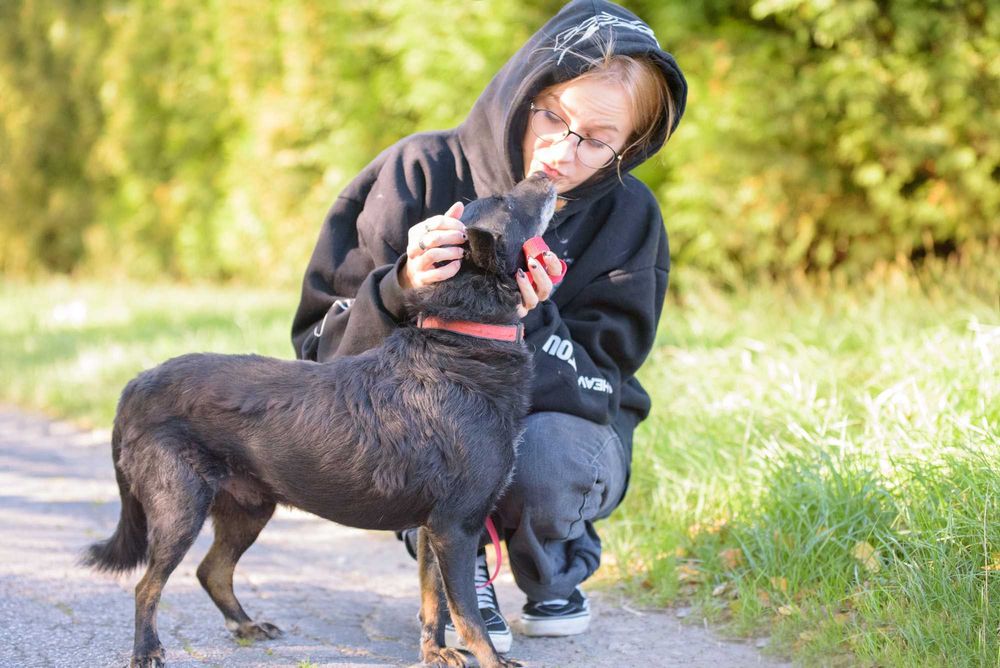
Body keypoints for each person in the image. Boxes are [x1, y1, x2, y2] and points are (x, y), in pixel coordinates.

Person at [290, 0, 687, 653]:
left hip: (557, 426)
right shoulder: (415, 172)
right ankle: (454, 563)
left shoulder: (629, 217)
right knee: (438, 436)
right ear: (522, 89)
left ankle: (553, 561)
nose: (563, 150)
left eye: (595, 138)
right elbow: (320, 359)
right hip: (418, 427)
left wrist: (527, 319)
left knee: (547, 459)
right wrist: (401, 288)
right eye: (552, 115)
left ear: (631, 145)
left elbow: (600, 384)